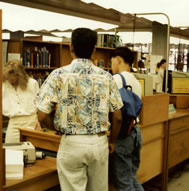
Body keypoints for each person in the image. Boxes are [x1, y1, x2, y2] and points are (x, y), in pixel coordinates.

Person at [35, 28, 123, 191]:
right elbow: (117, 116)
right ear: (94, 51)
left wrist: (55, 129)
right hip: (99, 142)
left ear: (71, 48)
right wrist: (111, 142)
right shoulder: (107, 77)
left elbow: (41, 115)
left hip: (71, 143)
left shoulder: (57, 75)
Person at [110, 47, 144, 191]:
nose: (111, 65)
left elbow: (114, 114)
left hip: (122, 135)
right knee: (131, 178)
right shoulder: (136, 81)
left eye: (111, 61)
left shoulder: (115, 79)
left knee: (124, 184)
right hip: (135, 132)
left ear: (118, 59)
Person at [2, 60, 39, 143]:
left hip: (31, 122)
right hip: (13, 123)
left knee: (31, 153)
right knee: (11, 153)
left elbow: (39, 104)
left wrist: (38, 120)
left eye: (13, 76)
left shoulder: (32, 83)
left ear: (20, 75)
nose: (10, 79)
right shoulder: (4, 85)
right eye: (8, 76)